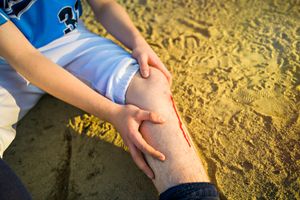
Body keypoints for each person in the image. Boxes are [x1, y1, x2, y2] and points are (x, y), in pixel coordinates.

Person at [0, 0, 220, 199]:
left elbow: (104, 5)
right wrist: (112, 112)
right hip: (7, 64)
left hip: (72, 39)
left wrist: (138, 43)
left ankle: (193, 195)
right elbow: (24, 58)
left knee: (150, 83)